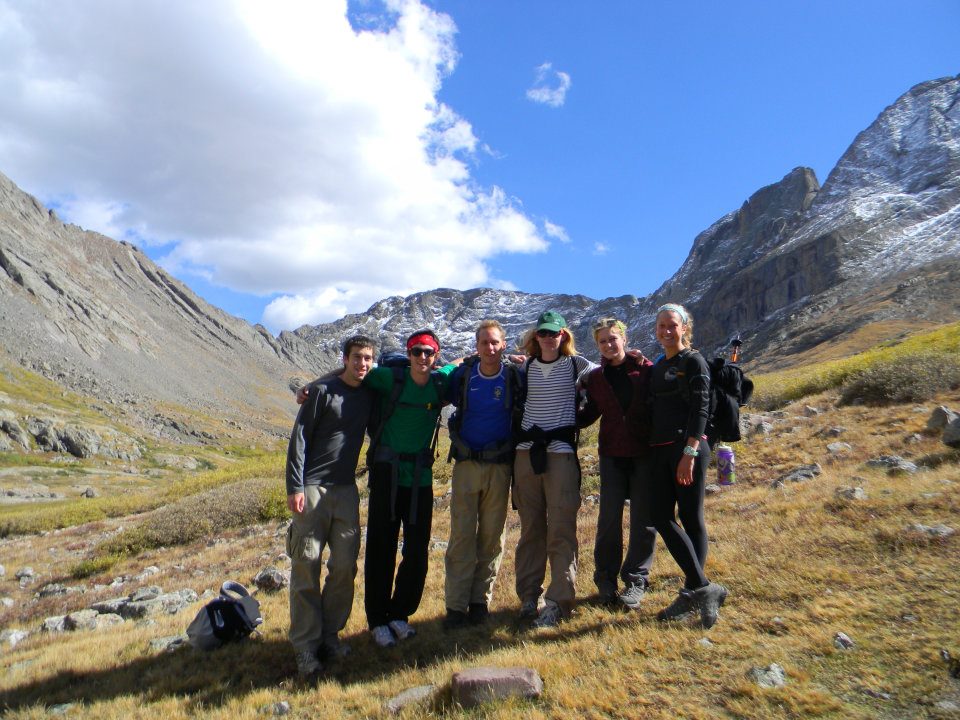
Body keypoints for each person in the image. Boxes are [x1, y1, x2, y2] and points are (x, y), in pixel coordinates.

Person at [285, 334, 376, 680]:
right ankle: (306, 647)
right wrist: (295, 487)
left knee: (344, 566)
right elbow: (300, 438)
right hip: (312, 489)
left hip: (346, 491)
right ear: (346, 358)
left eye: (367, 358)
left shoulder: (368, 392)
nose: (362, 364)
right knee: (305, 565)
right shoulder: (322, 392)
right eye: (357, 358)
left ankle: (330, 636)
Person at [362, 329, 458, 647]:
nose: (422, 358)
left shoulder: (439, 381)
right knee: (380, 549)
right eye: (416, 352)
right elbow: (353, 374)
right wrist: (312, 389)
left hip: (420, 480)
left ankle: (399, 615)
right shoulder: (389, 379)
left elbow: (458, 364)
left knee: (416, 552)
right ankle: (377, 620)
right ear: (408, 354)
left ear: (436, 356)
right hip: (387, 475)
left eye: (428, 353)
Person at [647, 303, 728, 629]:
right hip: (660, 451)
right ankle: (701, 587)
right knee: (661, 518)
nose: (666, 331)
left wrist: (690, 452)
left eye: (672, 325)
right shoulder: (657, 366)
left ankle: (693, 589)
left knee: (691, 518)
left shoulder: (694, 361)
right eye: (661, 326)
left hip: (688, 449)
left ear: (684, 328)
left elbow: (701, 409)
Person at [513, 311, 595, 628]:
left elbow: (608, 371)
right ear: (536, 337)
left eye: (554, 333)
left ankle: (558, 602)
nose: (548, 339)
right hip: (525, 455)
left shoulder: (577, 365)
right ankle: (528, 598)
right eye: (543, 334)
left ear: (563, 335)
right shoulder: (524, 367)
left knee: (561, 529)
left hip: (560, 454)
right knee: (531, 530)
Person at [442, 319, 524, 630]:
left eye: (495, 343)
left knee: (492, 537)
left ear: (504, 345)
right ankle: (455, 607)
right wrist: (453, 363)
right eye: (484, 343)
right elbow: (436, 381)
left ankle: (479, 602)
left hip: (500, 466)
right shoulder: (464, 376)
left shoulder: (515, 375)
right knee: (462, 536)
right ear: (476, 347)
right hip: (465, 465)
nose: (489, 348)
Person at [577, 318, 657, 610]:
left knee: (643, 520)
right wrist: (567, 416)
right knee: (608, 520)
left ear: (624, 339)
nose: (609, 345)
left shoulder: (645, 370)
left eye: (613, 339)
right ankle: (606, 580)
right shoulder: (596, 378)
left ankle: (636, 579)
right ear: (597, 345)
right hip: (611, 455)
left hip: (644, 453)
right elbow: (591, 413)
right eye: (603, 341)